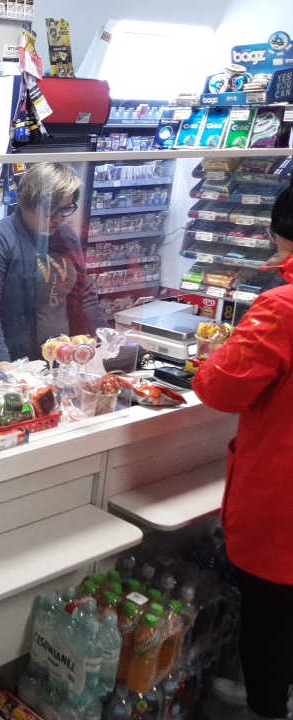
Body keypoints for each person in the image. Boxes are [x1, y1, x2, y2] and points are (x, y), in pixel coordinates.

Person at [193, 182, 293, 720]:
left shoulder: (282, 307)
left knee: (270, 612)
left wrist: (214, 356)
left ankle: (266, 707)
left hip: (281, 499)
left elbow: (220, 389)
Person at [0, 162, 107, 365]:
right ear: (27, 203)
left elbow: (85, 296)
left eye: (65, 209)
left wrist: (106, 344)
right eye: (50, 209)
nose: (59, 219)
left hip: (61, 360)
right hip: (12, 361)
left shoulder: (66, 236)